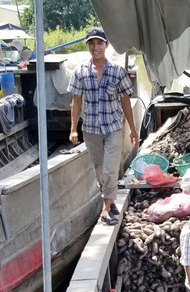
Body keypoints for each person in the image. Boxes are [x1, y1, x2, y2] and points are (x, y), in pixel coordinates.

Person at [67, 27, 138, 225]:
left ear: (106, 45)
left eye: (99, 43)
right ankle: (110, 200)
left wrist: (132, 129)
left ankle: (106, 210)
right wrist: (73, 128)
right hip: (90, 129)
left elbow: (125, 101)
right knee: (99, 169)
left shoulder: (117, 72)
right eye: (92, 43)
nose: (96, 47)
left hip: (113, 128)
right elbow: (76, 101)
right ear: (87, 46)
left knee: (109, 169)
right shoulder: (80, 72)